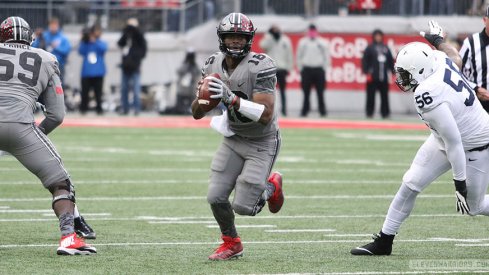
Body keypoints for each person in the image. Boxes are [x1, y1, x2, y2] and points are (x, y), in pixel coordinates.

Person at [351, 21, 489, 256]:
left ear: (419, 70)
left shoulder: (427, 93)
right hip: (445, 138)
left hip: (475, 145)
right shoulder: (437, 60)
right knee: (410, 183)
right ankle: (385, 240)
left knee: (474, 208)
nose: (401, 78)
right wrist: (438, 41)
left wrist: (459, 182)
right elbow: (455, 57)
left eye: (405, 73)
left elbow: (455, 141)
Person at [191, 12, 284, 261]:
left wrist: (231, 98)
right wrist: (203, 98)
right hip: (233, 138)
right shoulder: (212, 64)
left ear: (249, 40)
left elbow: (265, 114)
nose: (235, 42)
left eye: (240, 38)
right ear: (222, 38)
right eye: (231, 36)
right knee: (215, 196)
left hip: (262, 141)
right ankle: (231, 243)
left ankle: (271, 185)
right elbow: (196, 113)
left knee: (244, 207)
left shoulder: (261, 65)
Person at [0, 16, 97, 255]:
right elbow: (56, 115)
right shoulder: (46, 58)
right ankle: (69, 238)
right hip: (21, 126)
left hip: (20, 127)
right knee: (61, 184)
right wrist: (30, 138)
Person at [459, 5, 489, 112]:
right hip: (477, 105)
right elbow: (456, 72)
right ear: (485, 20)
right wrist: (476, 88)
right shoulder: (471, 43)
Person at [259, 25, 293, 116]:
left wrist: (289, 68)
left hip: (282, 69)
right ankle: (269, 110)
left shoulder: (285, 40)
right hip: (271, 69)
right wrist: (268, 35)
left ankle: (284, 111)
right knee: (269, 91)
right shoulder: (269, 39)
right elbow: (262, 45)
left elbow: (289, 54)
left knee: (282, 91)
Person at [296, 24, 329, 117]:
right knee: (306, 92)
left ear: (316, 31)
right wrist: (300, 68)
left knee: (320, 92)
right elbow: (299, 56)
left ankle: (322, 111)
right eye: (310, 30)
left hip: (319, 70)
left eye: (313, 30)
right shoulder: (303, 42)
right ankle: (304, 111)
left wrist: (324, 68)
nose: (312, 32)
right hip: (306, 70)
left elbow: (326, 56)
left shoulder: (322, 42)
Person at [361, 29, 395, 119]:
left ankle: (385, 113)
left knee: (384, 97)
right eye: (376, 36)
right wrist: (366, 71)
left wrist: (392, 71)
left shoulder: (386, 48)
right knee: (370, 96)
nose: (378, 38)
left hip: (383, 77)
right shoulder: (370, 48)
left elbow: (390, 61)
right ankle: (369, 112)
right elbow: (365, 61)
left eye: (379, 36)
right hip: (373, 76)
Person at [117, 18, 147, 115]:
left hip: (135, 66)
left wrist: (135, 30)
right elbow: (120, 43)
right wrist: (126, 32)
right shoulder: (126, 35)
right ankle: (125, 108)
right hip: (125, 66)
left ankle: (136, 109)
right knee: (124, 89)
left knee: (136, 89)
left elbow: (143, 50)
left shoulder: (139, 36)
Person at [78, 25, 108, 115]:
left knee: (98, 93)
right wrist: (84, 39)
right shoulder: (85, 43)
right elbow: (80, 51)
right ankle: (83, 109)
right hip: (86, 72)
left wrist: (94, 41)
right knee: (84, 92)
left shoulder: (100, 42)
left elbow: (103, 49)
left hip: (98, 72)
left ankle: (99, 109)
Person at [31, 17, 71, 84]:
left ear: (58, 26)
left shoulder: (62, 38)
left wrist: (56, 47)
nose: (53, 27)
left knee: (59, 85)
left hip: (58, 65)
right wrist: (36, 36)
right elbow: (33, 47)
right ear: (49, 26)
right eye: (51, 25)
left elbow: (66, 50)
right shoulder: (43, 36)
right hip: (44, 65)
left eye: (55, 25)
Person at [174, 48, 201, 114]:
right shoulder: (183, 65)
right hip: (181, 90)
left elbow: (198, 73)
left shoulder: (195, 66)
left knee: (192, 106)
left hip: (191, 91)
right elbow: (178, 71)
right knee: (179, 108)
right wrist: (187, 65)